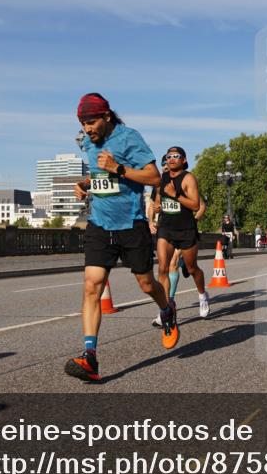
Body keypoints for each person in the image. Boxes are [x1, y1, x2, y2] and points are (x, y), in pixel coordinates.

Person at [67, 92, 176, 382]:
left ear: (106, 116)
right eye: (82, 123)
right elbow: (99, 175)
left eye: (91, 122)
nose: (87, 129)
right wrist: (84, 184)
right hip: (99, 225)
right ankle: (89, 356)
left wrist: (118, 168)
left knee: (146, 283)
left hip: (131, 225)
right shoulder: (88, 143)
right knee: (92, 286)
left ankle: (166, 309)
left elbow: (155, 178)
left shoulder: (130, 138)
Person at [151, 147, 210, 327]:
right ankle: (166, 308)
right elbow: (157, 202)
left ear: (183, 160)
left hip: (185, 229)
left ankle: (202, 295)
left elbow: (195, 205)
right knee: (162, 268)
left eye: (176, 156)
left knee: (192, 268)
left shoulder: (188, 178)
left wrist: (175, 194)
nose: (172, 159)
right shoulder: (161, 179)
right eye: (169, 156)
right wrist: (157, 208)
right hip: (166, 228)